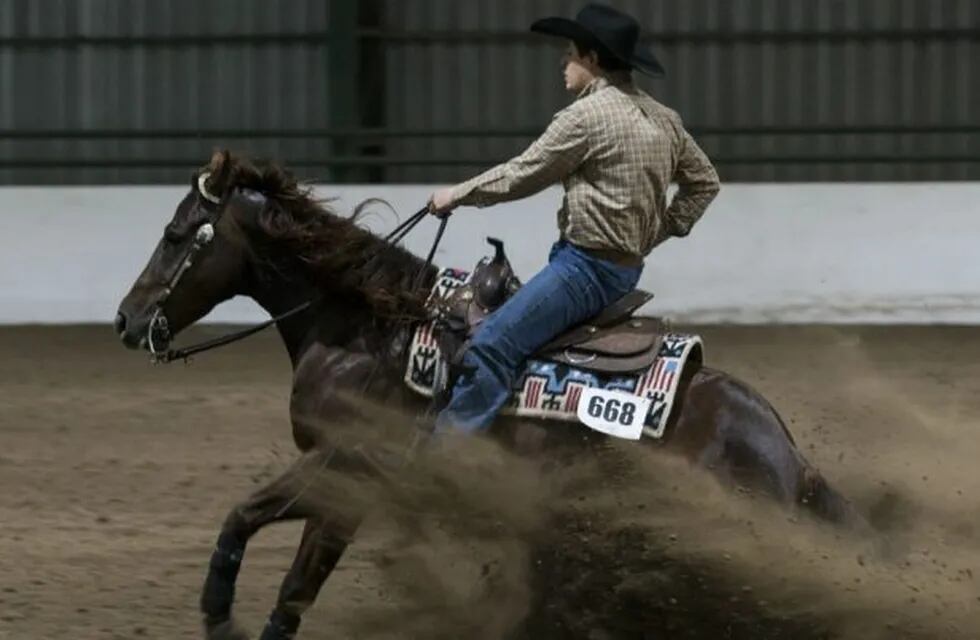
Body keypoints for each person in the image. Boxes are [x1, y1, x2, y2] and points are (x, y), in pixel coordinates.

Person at [427, 3, 720, 433]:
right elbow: (705, 182)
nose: (563, 63)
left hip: (583, 271)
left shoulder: (586, 118)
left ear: (594, 59)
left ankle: (444, 460)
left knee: (491, 344)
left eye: (570, 53)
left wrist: (456, 194)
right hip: (623, 272)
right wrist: (657, 231)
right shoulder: (666, 120)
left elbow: (522, 174)